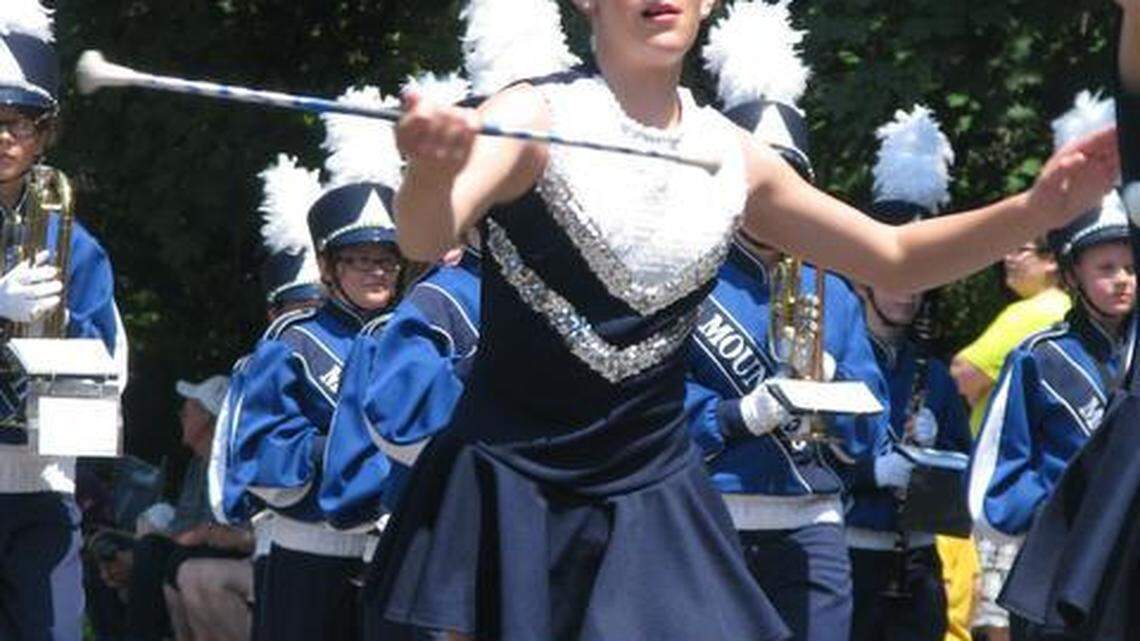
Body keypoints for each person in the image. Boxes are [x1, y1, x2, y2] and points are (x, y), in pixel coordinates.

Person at [366, 0, 1119, 638]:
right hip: (511, 491)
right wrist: (431, 169)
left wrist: (1035, 207)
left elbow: (894, 257)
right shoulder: (530, 113)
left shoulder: (730, 154)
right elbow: (425, 237)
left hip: (652, 494)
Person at [682, 6, 887, 640]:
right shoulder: (683, 281)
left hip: (813, 516)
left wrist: (835, 395)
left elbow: (871, 424)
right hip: (710, 509)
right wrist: (734, 416)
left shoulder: (837, 291)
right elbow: (645, 403)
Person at [225, 85, 411, 641]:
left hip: (393, 553)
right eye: (360, 259)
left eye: (387, 260)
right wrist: (343, 450)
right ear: (328, 267)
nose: (376, 272)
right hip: (310, 552)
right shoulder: (293, 342)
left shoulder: (416, 337)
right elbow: (259, 454)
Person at [0, 3, 127, 640]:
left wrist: (64, 333)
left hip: (40, 480)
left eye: (19, 122)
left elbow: (108, 363)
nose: (3, 137)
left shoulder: (77, 244)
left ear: (46, 134)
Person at [846, 106, 972, 641]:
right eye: (891, 273)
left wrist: (936, 460)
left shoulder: (935, 376)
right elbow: (804, 460)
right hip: (848, 559)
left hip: (918, 566)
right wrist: (872, 474)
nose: (905, 288)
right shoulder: (836, 359)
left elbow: (965, 479)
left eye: (918, 276)